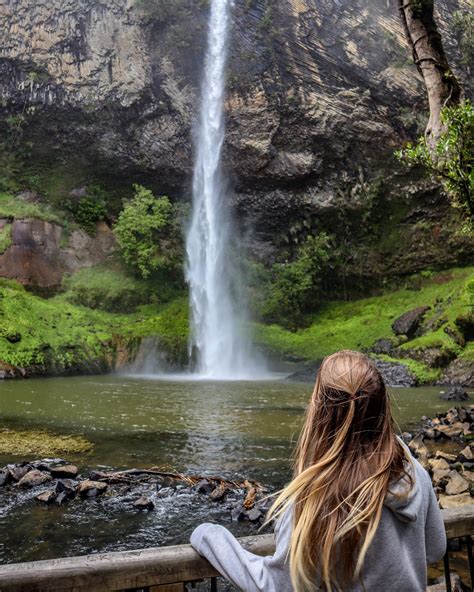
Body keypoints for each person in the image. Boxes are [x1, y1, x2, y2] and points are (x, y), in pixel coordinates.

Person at [190, 350, 447, 591]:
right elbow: (435, 549)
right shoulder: (410, 470)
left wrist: (208, 536)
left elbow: (274, 584)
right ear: (381, 406)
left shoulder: (315, 498)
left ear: (319, 413)